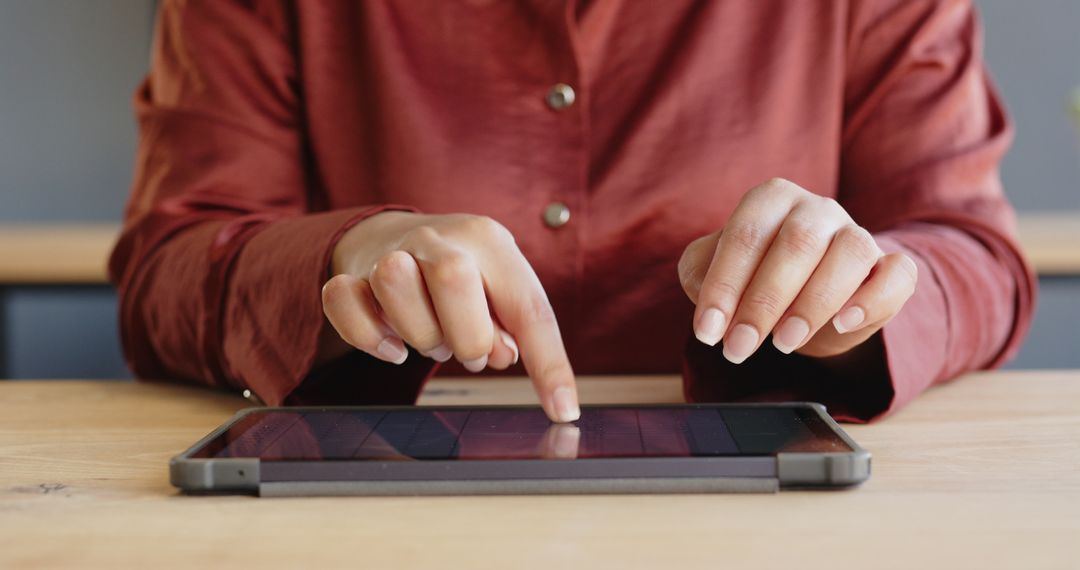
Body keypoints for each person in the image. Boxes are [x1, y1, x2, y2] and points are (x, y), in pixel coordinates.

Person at [109, 0, 1035, 424]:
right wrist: (345, 253)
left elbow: (972, 251)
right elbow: (168, 267)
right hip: (373, 518)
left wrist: (858, 297)